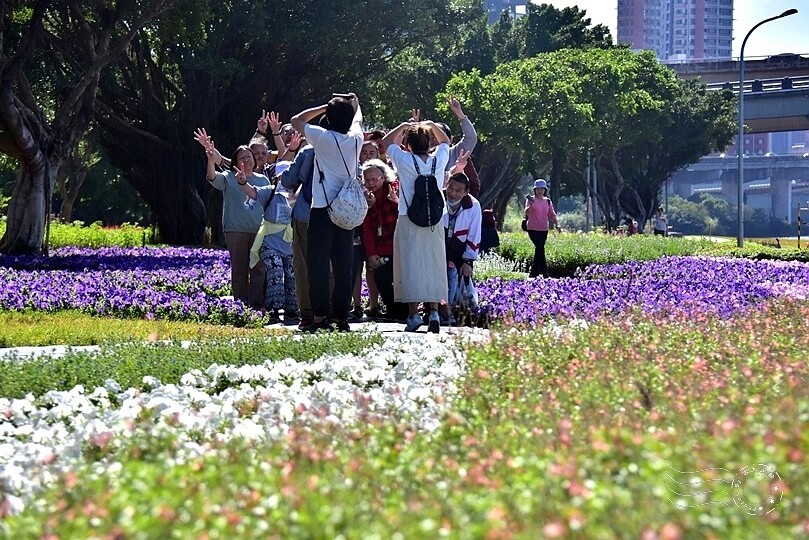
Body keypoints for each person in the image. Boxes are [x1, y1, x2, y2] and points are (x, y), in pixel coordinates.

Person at [291, 93, 364, 332]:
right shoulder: (356, 139)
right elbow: (358, 120)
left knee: (318, 264)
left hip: (323, 209)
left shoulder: (322, 137)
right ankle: (341, 316)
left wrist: (325, 106)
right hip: (347, 210)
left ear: (328, 118)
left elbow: (296, 120)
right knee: (344, 265)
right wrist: (353, 104)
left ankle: (320, 316)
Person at [381, 121, 451, 333]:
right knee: (433, 263)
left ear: (408, 144)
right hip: (435, 220)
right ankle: (434, 311)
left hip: (408, 217)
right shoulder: (439, 159)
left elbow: (386, 142)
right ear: (429, 142)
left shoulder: (403, 159)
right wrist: (430, 124)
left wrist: (403, 125)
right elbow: (446, 141)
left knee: (409, 264)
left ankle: (413, 314)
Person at [195, 131, 269, 308]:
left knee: (258, 269)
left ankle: (257, 305)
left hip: (259, 231)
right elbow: (212, 177)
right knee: (239, 269)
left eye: (249, 156)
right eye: (242, 157)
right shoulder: (229, 178)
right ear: (235, 162)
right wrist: (211, 158)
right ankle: (240, 305)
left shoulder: (263, 179)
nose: (247, 159)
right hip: (236, 230)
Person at [234, 167, 298, 324]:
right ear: (277, 177)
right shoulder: (269, 192)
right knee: (275, 269)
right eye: (283, 175)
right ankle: (273, 309)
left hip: (289, 245)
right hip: (269, 243)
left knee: (291, 273)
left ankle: (291, 310)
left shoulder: (296, 195)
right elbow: (252, 192)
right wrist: (242, 182)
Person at [361, 159, 408, 322]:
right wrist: (371, 254)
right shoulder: (366, 197)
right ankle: (392, 310)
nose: (371, 183)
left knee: (402, 280)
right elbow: (368, 228)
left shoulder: (394, 191)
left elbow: (406, 214)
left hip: (401, 246)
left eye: (375, 179)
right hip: (383, 248)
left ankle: (405, 312)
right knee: (381, 277)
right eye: (367, 180)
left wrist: (396, 202)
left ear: (384, 177)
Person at [442, 172, 481, 325]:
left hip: (459, 247)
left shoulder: (473, 206)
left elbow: (474, 235)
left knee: (453, 275)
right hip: (440, 243)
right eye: (450, 188)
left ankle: (449, 309)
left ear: (466, 192)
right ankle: (435, 308)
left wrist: (468, 261)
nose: (452, 193)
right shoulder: (439, 198)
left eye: (458, 191)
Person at [524, 178, 558, 279]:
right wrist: (530, 206)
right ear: (535, 190)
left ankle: (536, 272)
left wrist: (557, 223)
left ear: (545, 190)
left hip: (543, 229)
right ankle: (543, 271)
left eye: (542, 189)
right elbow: (527, 213)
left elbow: (552, 214)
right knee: (540, 247)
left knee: (540, 249)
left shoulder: (547, 201)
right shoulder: (531, 200)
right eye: (538, 189)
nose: (540, 191)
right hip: (532, 228)